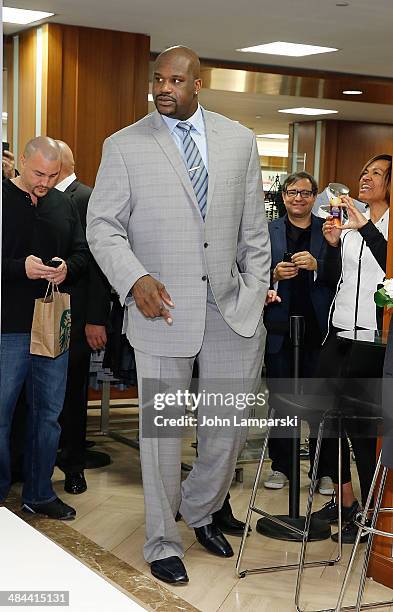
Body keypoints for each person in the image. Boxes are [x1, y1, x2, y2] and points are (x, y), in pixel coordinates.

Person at [87, 46, 270, 584]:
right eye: (157, 79)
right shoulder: (124, 146)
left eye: (174, 80)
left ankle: (202, 506)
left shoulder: (239, 139)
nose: (163, 88)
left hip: (232, 309)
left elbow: (255, 231)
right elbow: (102, 227)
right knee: (163, 434)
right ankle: (163, 539)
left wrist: (256, 292)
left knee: (228, 426)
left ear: (198, 83)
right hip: (161, 308)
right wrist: (133, 278)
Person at [0, 136, 89, 519]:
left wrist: (68, 267)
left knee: (49, 413)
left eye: (53, 175)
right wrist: (21, 267)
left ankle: (39, 492)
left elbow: (84, 253)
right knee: (1, 413)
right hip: (8, 326)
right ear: (21, 161)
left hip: (53, 322)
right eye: (38, 173)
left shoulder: (62, 204)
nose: (45, 182)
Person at [312, 153, 392, 543]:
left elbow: (389, 266)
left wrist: (366, 230)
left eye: (376, 174)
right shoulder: (348, 219)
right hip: (338, 333)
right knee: (323, 418)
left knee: (362, 429)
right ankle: (345, 504)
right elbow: (331, 278)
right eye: (363, 171)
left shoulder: (384, 224)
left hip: (373, 341)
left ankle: (373, 511)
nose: (365, 178)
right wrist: (330, 244)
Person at [263, 171, 340, 494]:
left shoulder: (329, 231)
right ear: (283, 197)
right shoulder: (268, 231)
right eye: (292, 192)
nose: (298, 198)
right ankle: (282, 466)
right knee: (282, 404)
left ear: (315, 196)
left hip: (318, 331)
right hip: (280, 330)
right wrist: (273, 275)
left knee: (320, 406)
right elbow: (250, 272)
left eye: (305, 193)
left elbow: (342, 274)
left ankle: (324, 472)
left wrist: (319, 266)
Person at [55, 141, 111, 495]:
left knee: (73, 395)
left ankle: (73, 466)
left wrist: (95, 318)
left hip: (76, 317)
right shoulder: (35, 199)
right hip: (41, 314)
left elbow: (99, 265)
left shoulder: (87, 197)